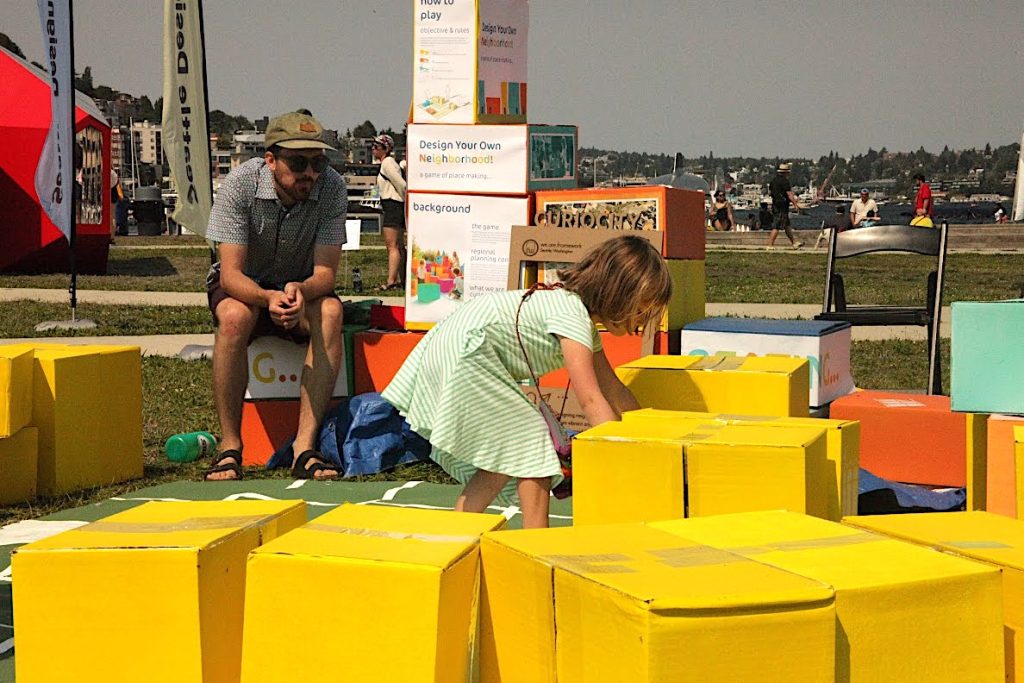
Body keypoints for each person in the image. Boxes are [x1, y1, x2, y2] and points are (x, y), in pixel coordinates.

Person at [381, 235, 672, 528]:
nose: (644, 320)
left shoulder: (573, 314)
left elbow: (615, 391)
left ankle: (459, 527)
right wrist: (624, 453)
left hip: (455, 344)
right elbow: (592, 399)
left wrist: (648, 437)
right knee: (532, 439)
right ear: (618, 293)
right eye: (642, 309)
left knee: (509, 452)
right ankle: (536, 539)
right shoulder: (573, 317)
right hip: (466, 350)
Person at [203, 110, 348, 481]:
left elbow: (326, 274)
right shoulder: (239, 184)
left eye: (318, 162)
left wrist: (301, 290)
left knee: (330, 312)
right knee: (235, 317)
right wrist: (267, 298)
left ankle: (305, 447)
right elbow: (231, 274)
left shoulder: (332, 187)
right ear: (271, 160)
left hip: (298, 288)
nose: (310, 174)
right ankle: (230, 446)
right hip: (246, 287)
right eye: (299, 162)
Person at [373, 133, 407, 291]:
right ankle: (403, 279)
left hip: (393, 205)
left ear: (385, 149)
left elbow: (401, 184)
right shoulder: (389, 163)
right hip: (395, 205)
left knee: (392, 246)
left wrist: (405, 200)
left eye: (376, 147)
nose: (373, 150)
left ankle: (391, 280)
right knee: (399, 246)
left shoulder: (388, 163)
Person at [767, 162, 804, 248]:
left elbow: (770, 193)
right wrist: (795, 204)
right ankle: (770, 245)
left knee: (787, 225)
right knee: (777, 225)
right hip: (782, 206)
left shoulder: (773, 181)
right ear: (786, 173)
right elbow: (789, 194)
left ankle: (794, 243)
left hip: (775, 204)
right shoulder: (785, 182)